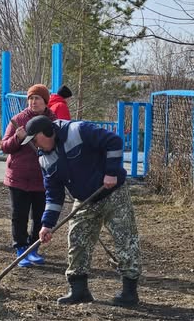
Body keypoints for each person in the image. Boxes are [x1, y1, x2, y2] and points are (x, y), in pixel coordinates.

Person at [23, 114, 142, 306]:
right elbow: (54, 195)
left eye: (35, 140)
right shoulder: (44, 159)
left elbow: (114, 141)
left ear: (46, 133)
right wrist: (47, 224)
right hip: (84, 200)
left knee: (125, 239)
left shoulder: (77, 130)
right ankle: (79, 290)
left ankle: (129, 293)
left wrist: (111, 172)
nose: (35, 145)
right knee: (77, 239)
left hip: (113, 193)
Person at [0, 84, 57, 267]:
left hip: (43, 177)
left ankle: (33, 248)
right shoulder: (19, 119)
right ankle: (21, 249)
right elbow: (4, 146)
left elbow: (58, 145)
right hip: (19, 177)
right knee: (20, 215)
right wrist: (17, 138)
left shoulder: (53, 121)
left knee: (40, 215)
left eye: (37, 98)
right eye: (30, 99)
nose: (33, 102)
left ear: (45, 101)